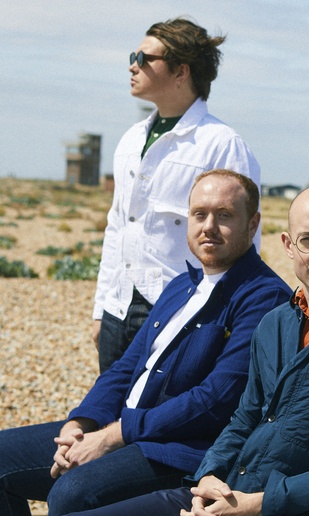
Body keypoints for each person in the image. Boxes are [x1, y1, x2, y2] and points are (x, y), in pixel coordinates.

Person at [44, 183, 309, 516]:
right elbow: (244, 418)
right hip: (232, 493)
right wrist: (210, 474)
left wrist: (259, 506)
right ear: (287, 244)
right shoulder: (275, 323)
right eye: (307, 240)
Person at [0, 170, 290, 516]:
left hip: (178, 451)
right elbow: (125, 368)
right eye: (199, 214)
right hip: (122, 429)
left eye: (224, 215)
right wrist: (81, 423)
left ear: (253, 223)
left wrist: (111, 437)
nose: (208, 226)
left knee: (72, 491)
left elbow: (214, 400)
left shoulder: (264, 297)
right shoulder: (181, 285)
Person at [94, 17, 261, 373]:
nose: (132, 64)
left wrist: (231, 326)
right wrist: (101, 309)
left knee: (161, 423)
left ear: (181, 72)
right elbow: (117, 227)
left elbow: (245, 240)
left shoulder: (222, 144)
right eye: (132, 55)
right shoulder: (130, 140)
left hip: (183, 311)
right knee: (105, 416)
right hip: (118, 308)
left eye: (144, 58)